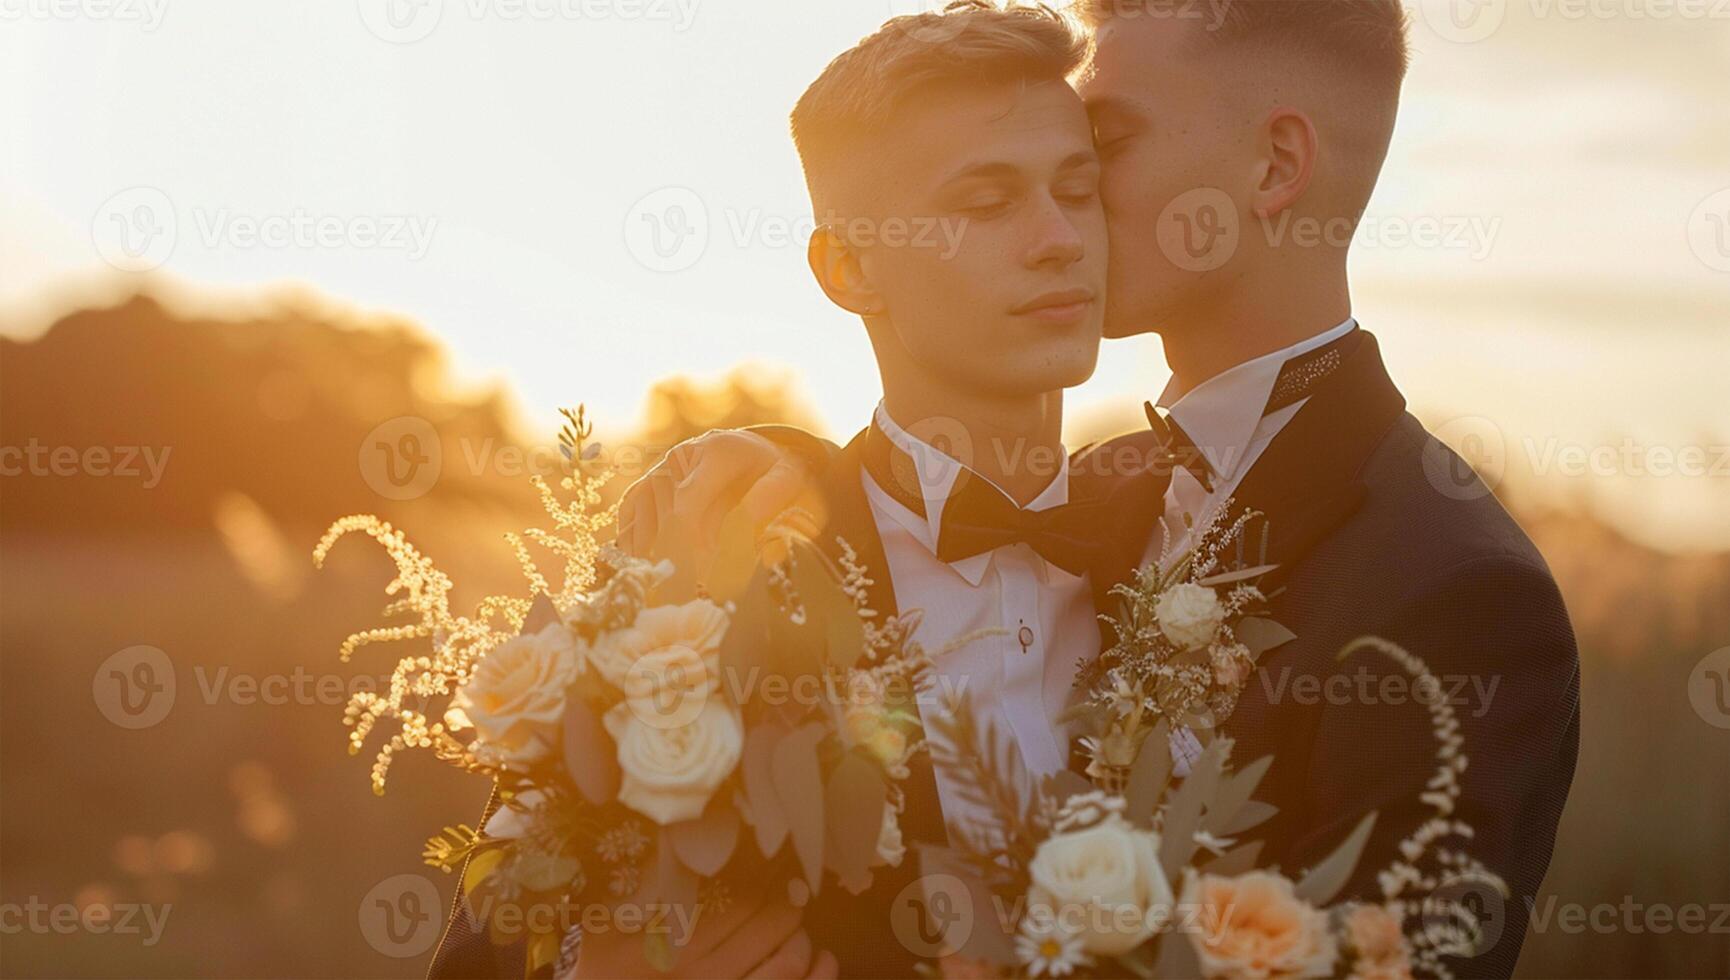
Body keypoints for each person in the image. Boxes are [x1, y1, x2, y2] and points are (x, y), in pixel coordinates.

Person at [620, 3, 1581, 976]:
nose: (1061, 231)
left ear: (1274, 167)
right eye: (993, 198)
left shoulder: (1452, 591)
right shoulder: (1092, 505)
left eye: (1095, 157)